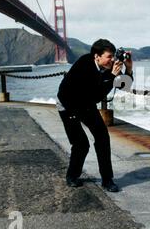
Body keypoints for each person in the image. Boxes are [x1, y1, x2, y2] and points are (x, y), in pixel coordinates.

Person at [57, 39, 133, 191]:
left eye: (113, 56)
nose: (112, 60)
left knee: (103, 137)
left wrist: (129, 69)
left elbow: (125, 86)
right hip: (68, 105)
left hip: (86, 104)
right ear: (96, 56)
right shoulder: (84, 64)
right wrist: (112, 76)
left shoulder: (107, 66)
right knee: (81, 144)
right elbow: (97, 94)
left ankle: (107, 180)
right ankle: (72, 176)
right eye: (109, 56)